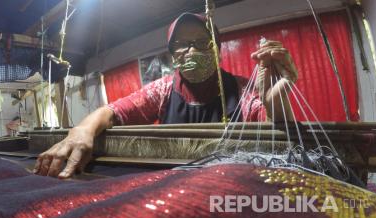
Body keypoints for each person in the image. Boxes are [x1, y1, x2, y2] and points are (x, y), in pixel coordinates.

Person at [34, 12, 299, 179]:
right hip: (174, 184)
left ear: (217, 49)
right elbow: (112, 112)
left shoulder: (244, 90)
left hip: (230, 186)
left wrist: (274, 100)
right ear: (172, 54)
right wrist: (82, 130)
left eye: (200, 42)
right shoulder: (162, 90)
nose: (191, 51)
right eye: (181, 45)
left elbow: (277, 135)